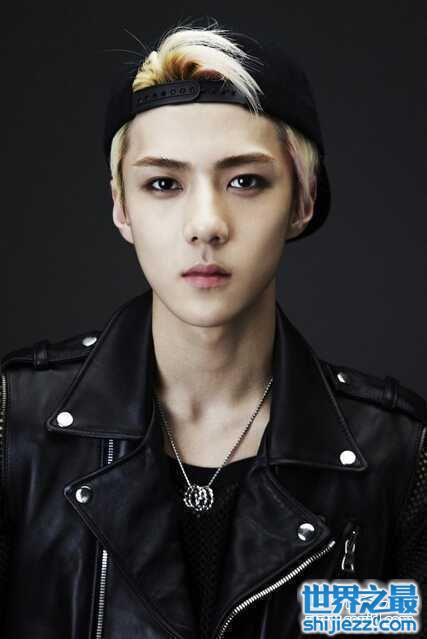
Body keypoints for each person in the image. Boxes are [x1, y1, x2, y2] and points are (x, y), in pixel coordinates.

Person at [1, 19, 426, 639]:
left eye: (245, 181)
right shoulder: (13, 425)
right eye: (163, 183)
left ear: (303, 201)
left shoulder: (399, 456)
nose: (206, 224)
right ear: (122, 207)